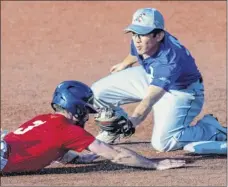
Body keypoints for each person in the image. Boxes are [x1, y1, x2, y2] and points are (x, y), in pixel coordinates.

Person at [91, 8, 227, 154]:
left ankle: (209, 129)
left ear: (159, 35)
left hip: (180, 92)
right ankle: (114, 131)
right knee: (94, 94)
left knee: (163, 143)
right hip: (152, 77)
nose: (137, 39)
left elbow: (149, 99)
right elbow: (136, 52)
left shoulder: (169, 61)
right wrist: (124, 63)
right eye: (134, 33)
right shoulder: (144, 41)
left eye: (142, 34)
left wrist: (132, 122)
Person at [0, 80, 186, 174]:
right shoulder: (68, 130)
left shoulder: (43, 119)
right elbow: (117, 155)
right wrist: (154, 164)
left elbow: (56, 150)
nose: (87, 114)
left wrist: (83, 158)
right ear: (77, 107)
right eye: (86, 108)